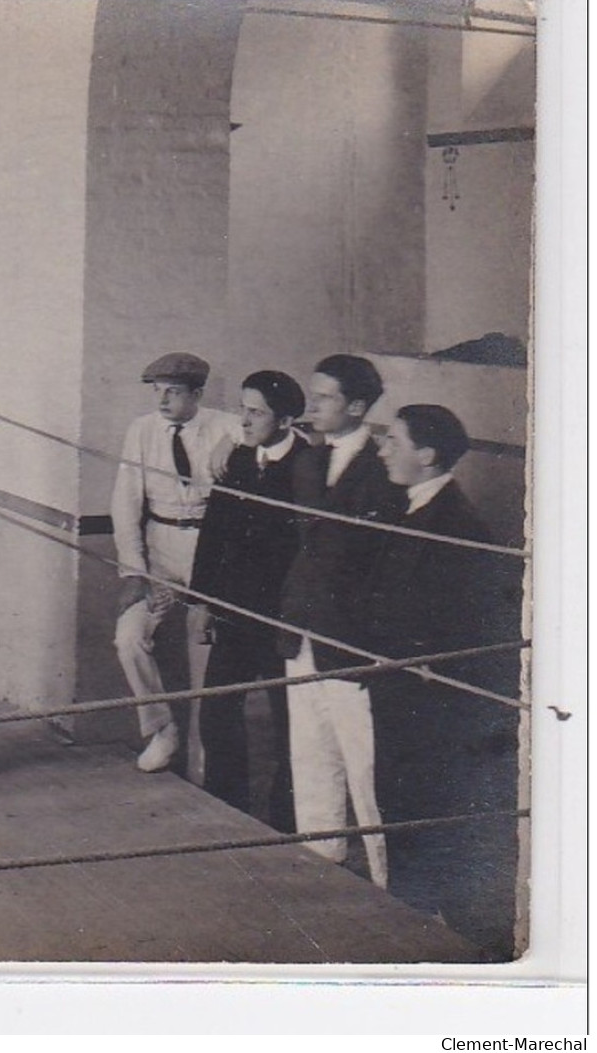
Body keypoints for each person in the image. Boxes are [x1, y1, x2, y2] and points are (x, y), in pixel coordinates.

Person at [360, 404, 522, 957]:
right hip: (399, 698)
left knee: (431, 824)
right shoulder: (410, 509)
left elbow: (466, 631)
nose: (383, 449)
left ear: (426, 456)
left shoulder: (457, 527)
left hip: (431, 714)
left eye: (393, 441)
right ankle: (413, 932)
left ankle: (452, 947)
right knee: (401, 816)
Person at [276, 354, 406, 887]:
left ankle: (388, 883)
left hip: (351, 642)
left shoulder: (386, 472)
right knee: (310, 756)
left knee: (365, 769)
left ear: (356, 405)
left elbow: (384, 568)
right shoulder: (307, 462)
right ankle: (321, 861)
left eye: (325, 396)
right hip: (300, 631)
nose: (313, 405)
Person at [110, 352, 242, 774]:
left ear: (198, 395)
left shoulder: (226, 425)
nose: (163, 400)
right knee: (129, 638)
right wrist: (135, 572)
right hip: (159, 552)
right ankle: (162, 728)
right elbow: (125, 503)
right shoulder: (142, 430)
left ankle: (203, 763)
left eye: (173, 392)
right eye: (158, 391)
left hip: (209, 548)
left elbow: (273, 433)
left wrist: (236, 443)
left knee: (203, 653)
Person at [188, 370, 307, 828]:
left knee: (288, 723)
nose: (245, 419)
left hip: (280, 619)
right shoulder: (236, 458)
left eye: (256, 411)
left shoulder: (306, 466)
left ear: (286, 419)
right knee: (217, 713)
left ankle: (285, 821)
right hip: (234, 613)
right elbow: (214, 532)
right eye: (243, 408)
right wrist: (202, 602)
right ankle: (226, 808)